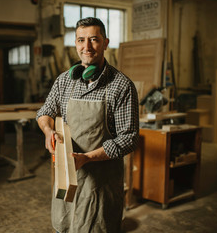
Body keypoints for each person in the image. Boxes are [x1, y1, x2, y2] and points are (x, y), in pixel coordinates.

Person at [36, 17, 139, 232]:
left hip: (100, 184)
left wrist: (87, 158)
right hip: (67, 178)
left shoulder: (121, 86)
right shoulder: (64, 81)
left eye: (94, 39)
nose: (87, 46)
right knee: (65, 226)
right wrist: (47, 131)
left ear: (105, 42)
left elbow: (129, 139)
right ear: (75, 43)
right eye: (81, 40)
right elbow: (45, 112)